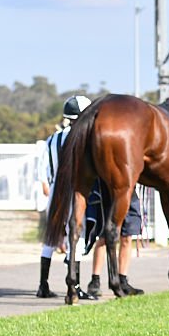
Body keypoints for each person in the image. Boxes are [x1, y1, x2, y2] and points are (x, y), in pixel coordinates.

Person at [36, 95, 100, 300]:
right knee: (76, 235)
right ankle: (75, 285)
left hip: (55, 188)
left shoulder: (52, 138)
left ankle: (42, 285)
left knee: (51, 237)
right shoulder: (83, 137)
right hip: (74, 188)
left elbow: (43, 167)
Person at [83, 180, 145, 296]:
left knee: (127, 237)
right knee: (103, 238)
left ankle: (123, 280)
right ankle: (95, 280)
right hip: (110, 191)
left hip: (129, 192)